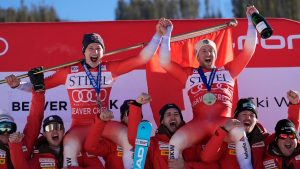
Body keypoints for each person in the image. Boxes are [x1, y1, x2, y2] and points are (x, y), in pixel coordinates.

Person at [5, 18, 168, 167]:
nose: (95, 52)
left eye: (99, 49)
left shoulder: (110, 69)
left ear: (103, 52)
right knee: (69, 148)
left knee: (129, 140)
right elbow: (40, 86)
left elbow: (142, 58)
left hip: (103, 124)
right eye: (91, 48)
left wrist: (157, 36)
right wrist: (18, 84)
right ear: (84, 51)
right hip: (79, 127)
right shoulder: (69, 71)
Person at [158, 6, 258, 165]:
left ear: (215, 55)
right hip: (198, 124)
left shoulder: (228, 70)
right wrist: (167, 34)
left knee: (239, 132)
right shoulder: (189, 74)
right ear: (197, 56)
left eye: (211, 50)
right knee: (174, 144)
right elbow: (164, 61)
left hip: (222, 121)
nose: (208, 54)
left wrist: (252, 22)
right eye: (203, 51)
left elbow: (249, 50)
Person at [7, 68, 104, 169]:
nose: (54, 131)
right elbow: (34, 121)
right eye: (49, 128)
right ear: (44, 134)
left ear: (63, 131)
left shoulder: (76, 148)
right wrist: (15, 145)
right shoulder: (38, 154)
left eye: (58, 127)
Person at [200, 90, 300, 169]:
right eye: (244, 114)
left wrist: (294, 105)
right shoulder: (225, 137)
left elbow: (289, 131)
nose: (248, 118)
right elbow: (206, 158)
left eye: (252, 115)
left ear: (256, 120)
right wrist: (222, 131)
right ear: (236, 118)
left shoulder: (262, 138)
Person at [84, 93, 151, 169]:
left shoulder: (147, 140)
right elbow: (90, 147)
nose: (134, 116)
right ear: (122, 117)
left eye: (138, 114)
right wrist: (100, 121)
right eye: (129, 113)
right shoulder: (112, 142)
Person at [143, 103, 219, 169]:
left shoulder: (194, 140)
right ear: (162, 121)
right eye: (168, 115)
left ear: (181, 120)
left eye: (176, 114)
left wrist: (186, 166)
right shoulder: (153, 143)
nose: (173, 117)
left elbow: (214, 166)